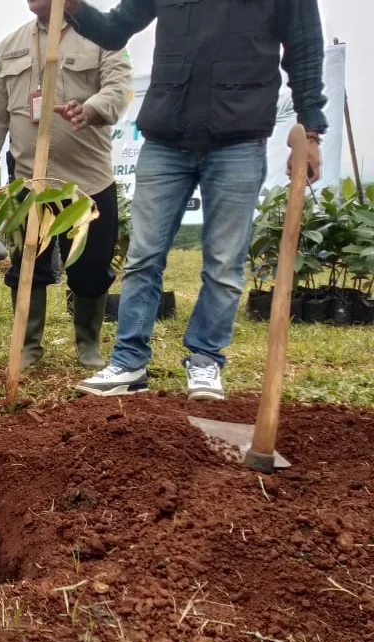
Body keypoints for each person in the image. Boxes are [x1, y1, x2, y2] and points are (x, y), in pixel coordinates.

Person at [64, 0, 326, 400]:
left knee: (224, 264)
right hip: (166, 137)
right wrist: (72, 6)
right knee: (143, 257)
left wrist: (310, 132)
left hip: (238, 138)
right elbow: (116, 29)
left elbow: (305, 49)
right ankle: (129, 361)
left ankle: (205, 359)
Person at [0, 0, 132, 370]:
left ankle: (88, 344)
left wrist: (91, 108)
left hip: (88, 183)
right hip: (30, 182)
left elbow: (120, 90)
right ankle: (28, 345)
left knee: (92, 267)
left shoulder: (103, 36)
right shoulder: (9, 47)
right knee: (28, 263)